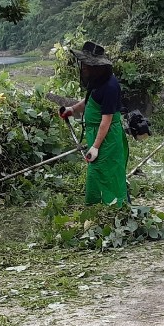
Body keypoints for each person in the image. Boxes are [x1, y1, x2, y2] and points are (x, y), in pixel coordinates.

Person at [59, 42, 129, 206]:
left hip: (107, 138)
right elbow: (90, 100)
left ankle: (115, 209)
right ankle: (97, 209)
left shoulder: (110, 86)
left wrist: (96, 146)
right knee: (96, 173)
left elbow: (107, 119)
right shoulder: (98, 82)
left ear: (96, 66)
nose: (83, 68)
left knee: (108, 173)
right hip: (96, 134)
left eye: (86, 65)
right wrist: (72, 109)